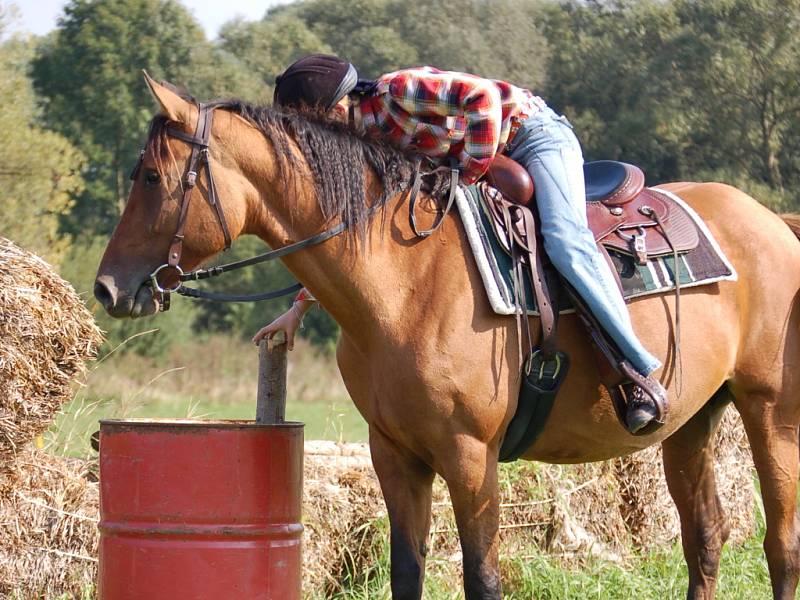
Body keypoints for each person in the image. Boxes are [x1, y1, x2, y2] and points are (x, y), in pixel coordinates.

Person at [252, 54, 666, 433]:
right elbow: (353, 240)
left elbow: (483, 100)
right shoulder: (357, 147)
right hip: (485, 157)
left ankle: (640, 369)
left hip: (531, 136)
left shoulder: (397, 90)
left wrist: (466, 174)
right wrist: (297, 310)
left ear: (338, 110)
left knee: (563, 240)